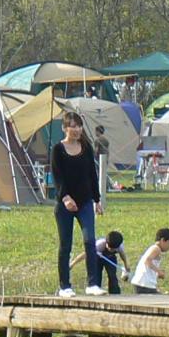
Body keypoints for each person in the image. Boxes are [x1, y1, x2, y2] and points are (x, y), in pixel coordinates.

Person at [51, 112, 102, 297]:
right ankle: (65, 286)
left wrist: (97, 199)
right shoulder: (58, 149)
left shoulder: (86, 147)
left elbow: (92, 174)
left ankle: (92, 284)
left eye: (79, 126)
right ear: (65, 128)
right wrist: (65, 198)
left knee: (90, 240)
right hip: (65, 204)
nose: (77, 129)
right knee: (66, 244)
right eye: (73, 126)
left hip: (85, 201)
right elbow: (58, 177)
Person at [131, 228, 169, 295]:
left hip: (142, 283)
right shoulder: (156, 249)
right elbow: (147, 261)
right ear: (163, 240)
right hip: (144, 284)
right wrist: (159, 272)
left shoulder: (154, 248)